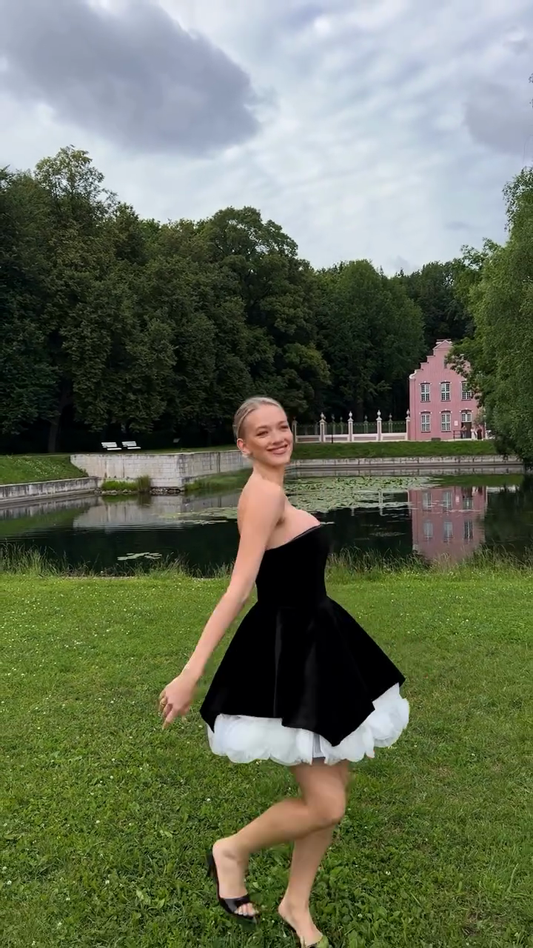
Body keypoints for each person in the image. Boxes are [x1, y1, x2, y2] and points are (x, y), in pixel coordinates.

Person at [159, 397, 409, 948]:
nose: (278, 437)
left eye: (282, 427)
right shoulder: (264, 495)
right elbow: (238, 588)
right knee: (327, 802)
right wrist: (191, 671)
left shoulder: (275, 489)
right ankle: (231, 850)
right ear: (243, 445)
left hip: (321, 645)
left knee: (335, 784)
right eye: (262, 432)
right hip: (292, 654)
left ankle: (296, 903)